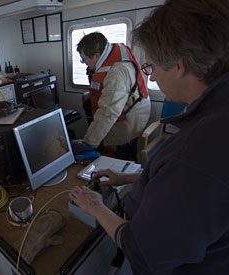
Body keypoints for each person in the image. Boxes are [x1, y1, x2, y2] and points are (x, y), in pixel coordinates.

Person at [70, 0, 229, 274]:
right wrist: (132, 177)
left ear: (178, 66)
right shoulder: (214, 112)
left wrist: (95, 207)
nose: (150, 74)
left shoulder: (195, 152)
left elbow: (142, 251)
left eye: (152, 67)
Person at [76, 32, 151, 160]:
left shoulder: (117, 73)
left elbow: (108, 112)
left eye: (85, 60)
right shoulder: (111, 55)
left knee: (122, 160)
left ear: (96, 56)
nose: (84, 63)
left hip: (129, 123)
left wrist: (88, 142)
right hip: (131, 108)